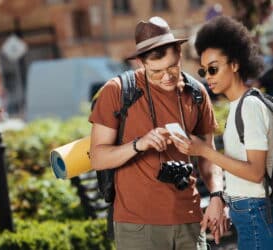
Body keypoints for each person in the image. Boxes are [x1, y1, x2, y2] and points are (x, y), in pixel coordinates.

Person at [89, 16, 224, 250]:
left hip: (189, 221)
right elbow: (98, 157)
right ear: (141, 62)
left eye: (173, 67)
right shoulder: (117, 91)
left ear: (179, 53)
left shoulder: (197, 93)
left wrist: (217, 196)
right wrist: (138, 144)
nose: (167, 77)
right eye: (157, 71)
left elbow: (209, 156)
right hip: (137, 226)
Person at [172, 16, 273, 250]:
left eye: (213, 68)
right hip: (249, 213)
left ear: (235, 64)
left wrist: (203, 150)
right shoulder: (239, 105)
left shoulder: (251, 107)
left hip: (257, 214)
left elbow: (255, 172)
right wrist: (224, 201)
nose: (208, 77)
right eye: (204, 71)